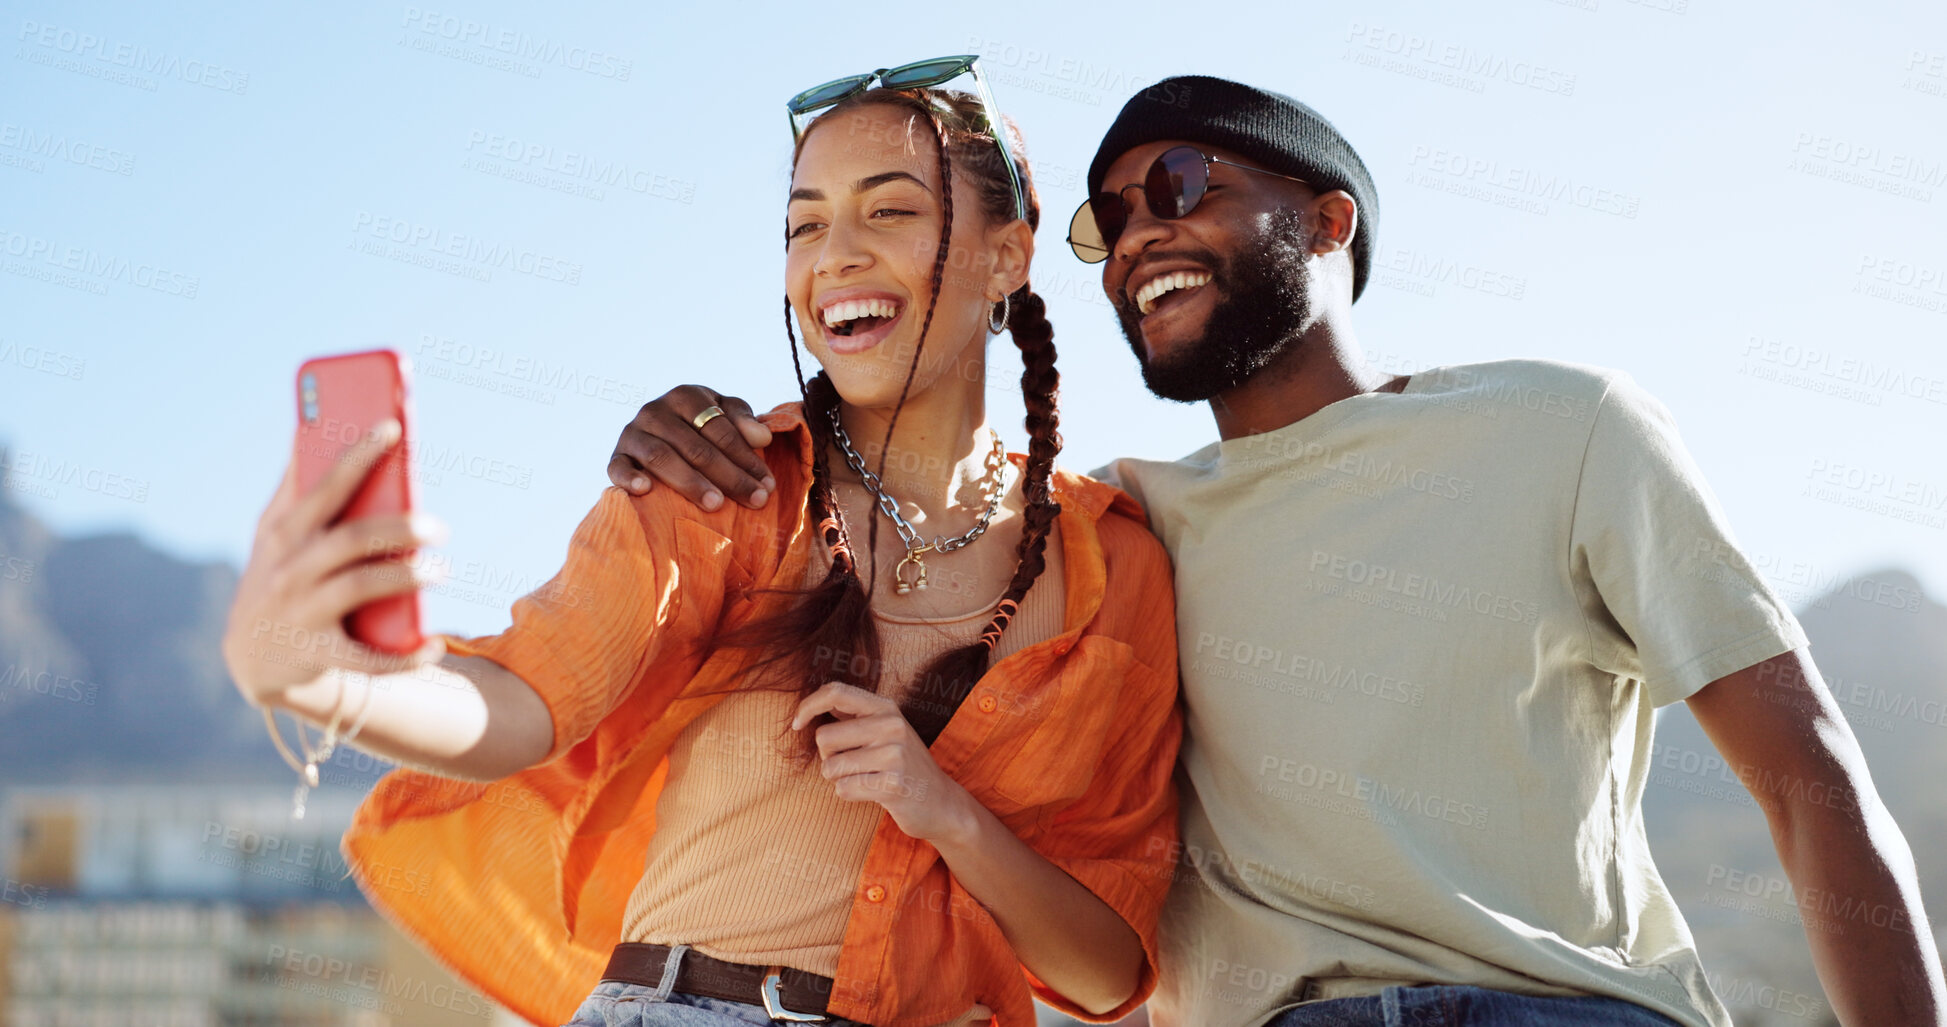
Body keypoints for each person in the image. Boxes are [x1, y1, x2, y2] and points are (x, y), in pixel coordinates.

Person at [602, 75, 1947, 1027]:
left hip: (1564, 1006)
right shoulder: (1119, 525)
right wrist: (699, 419)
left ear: (1321, 221)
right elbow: (907, 489)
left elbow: (1808, 776)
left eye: (1179, 187)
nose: (1137, 239)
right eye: (1108, 220)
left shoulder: (1563, 423)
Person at [220, 62, 1184, 1027]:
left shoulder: (1117, 566)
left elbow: (1105, 971)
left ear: (1006, 256)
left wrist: (946, 812)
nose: (832, 255)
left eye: (887, 212)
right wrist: (326, 678)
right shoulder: (723, 487)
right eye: (803, 224)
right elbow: (523, 700)